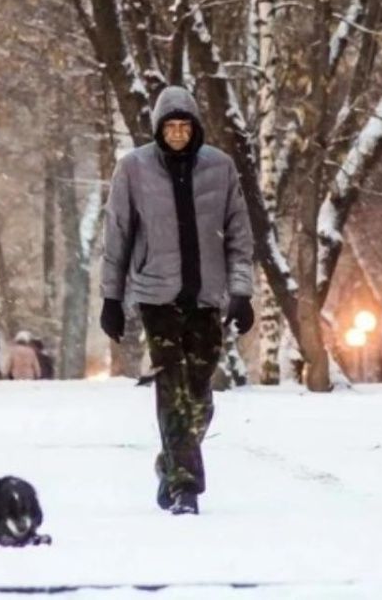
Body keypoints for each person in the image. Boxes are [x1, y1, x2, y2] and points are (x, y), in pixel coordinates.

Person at [100, 85, 254, 516]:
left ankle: (171, 462)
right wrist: (111, 298)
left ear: (196, 128)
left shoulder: (220, 169)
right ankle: (186, 487)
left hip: (207, 297)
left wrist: (241, 293)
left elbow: (239, 235)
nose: (179, 133)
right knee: (173, 386)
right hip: (157, 296)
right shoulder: (133, 169)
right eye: (171, 126)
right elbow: (118, 236)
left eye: (186, 126)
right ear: (159, 129)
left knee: (200, 391)